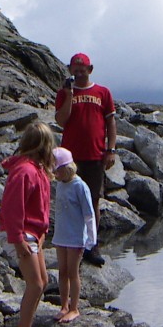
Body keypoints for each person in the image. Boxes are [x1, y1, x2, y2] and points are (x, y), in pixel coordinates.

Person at [0, 120, 57, 327]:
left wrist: (41, 234)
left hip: (32, 233)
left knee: (41, 282)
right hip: (20, 233)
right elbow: (12, 208)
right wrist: (18, 239)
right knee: (34, 284)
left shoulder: (38, 170)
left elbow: (40, 208)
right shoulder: (24, 171)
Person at [54, 52, 117, 266]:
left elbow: (111, 122)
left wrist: (111, 150)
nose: (79, 74)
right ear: (70, 71)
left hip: (95, 155)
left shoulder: (103, 92)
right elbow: (62, 121)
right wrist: (69, 95)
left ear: (90, 70)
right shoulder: (64, 94)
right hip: (70, 159)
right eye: (75, 70)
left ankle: (92, 245)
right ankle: (73, 244)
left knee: (93, 201)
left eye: (83, 70)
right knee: (70, 200)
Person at [51, 147, 97, 323]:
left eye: (57, 170)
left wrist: (91, 238)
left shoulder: (80, 186)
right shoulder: (61, 185)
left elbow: (89, 213)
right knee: (62, 272)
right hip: (61, 234)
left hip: (75, 236)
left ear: (66, 168)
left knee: (73, 272)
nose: (55, 174)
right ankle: (64, 305)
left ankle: (74, 308)